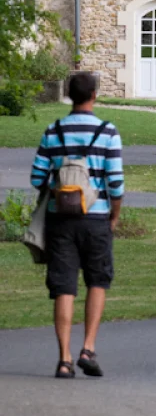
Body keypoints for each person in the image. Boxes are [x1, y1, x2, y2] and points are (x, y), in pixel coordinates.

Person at [30, 71, 124, 378]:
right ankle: (88, 347)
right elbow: (116, 183)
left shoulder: (53, 131)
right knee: (97, 281)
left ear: (69, 95)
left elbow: (36, 178)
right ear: (94, 95)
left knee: (64, 287)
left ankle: (65, 359)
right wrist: (114, 214)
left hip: (61, 220)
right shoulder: (108, 132)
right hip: (96, 218)